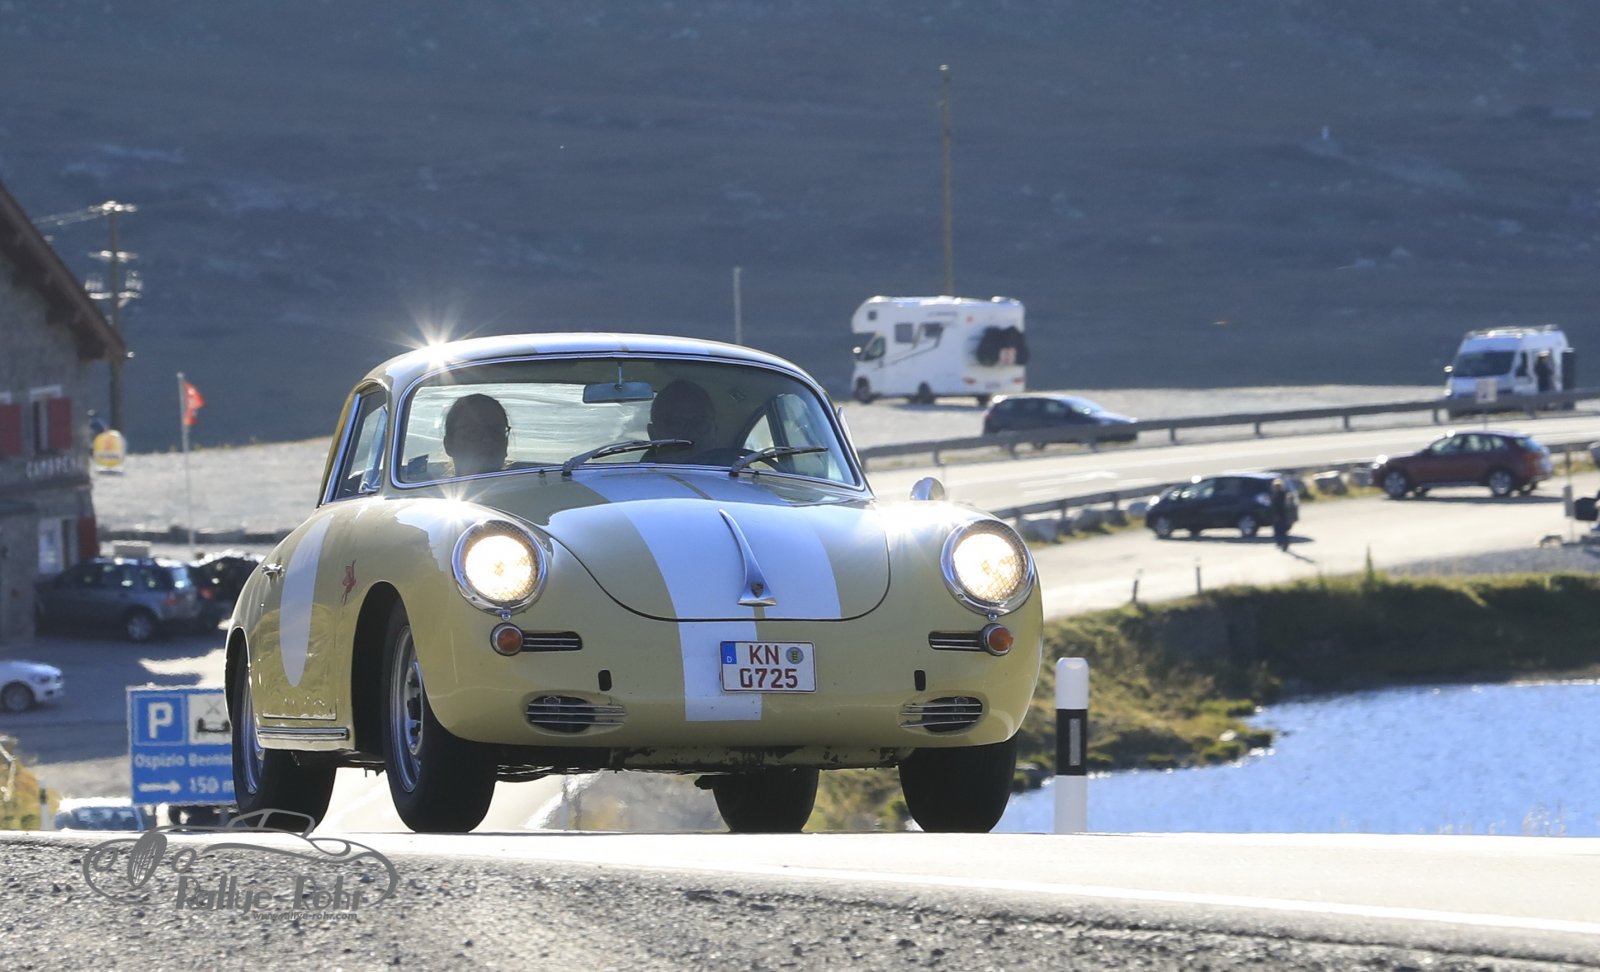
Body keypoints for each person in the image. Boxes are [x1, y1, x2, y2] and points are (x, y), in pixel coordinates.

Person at [645, 379, 718, 461]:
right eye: (676, 424)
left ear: (714, 431)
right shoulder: (637, 469)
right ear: (653, 434)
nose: (691, 435)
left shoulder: (728, 466)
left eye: (700, 423)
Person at [443, 393, 510, 475]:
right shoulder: (430, 485)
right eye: (473, 433)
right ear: (448, 444)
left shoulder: (524, 481)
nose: (487, 440)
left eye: (495, 432)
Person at [1269, 478, 1292, 552]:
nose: (1276, 487)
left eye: (1277, 486)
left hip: (1280, 515)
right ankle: (1282, 543)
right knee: (1281, 530)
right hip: (1282, 515)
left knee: (1280, 530)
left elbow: (1277, 506)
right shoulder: (1283, 494)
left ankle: (1282, 543)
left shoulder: (1279, 495)